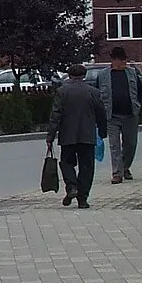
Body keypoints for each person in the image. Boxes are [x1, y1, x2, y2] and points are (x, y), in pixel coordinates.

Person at [47, 63, 103, 208]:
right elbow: (101, 113)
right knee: (87, 167)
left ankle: (72, 186)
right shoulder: (93, 92)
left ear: (69, 75)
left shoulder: (62, 91)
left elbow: (55, 115)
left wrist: (50, 137)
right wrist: (103, 131)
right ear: (84, 76)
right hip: (87, 135)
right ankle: (82, 199)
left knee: (66, 162)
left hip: (67, 135)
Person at [98, 47, 142, 184]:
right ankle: (117, 173)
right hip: (111, 115)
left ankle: (125, 167)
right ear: (114, 60)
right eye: (121, 60)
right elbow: (97, 94)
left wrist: (138, 106)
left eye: (125, 59)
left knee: (130, 144)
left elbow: (141, 92)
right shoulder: (103, 75)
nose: (124, 62)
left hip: (130, 114)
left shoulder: (132, 73)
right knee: (114, 145)